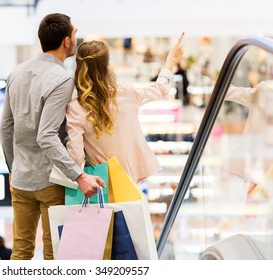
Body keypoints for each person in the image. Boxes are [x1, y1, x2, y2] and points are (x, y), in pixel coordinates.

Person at [0, 13, 105, 260]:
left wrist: (12, 166)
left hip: (20, 178)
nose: (76, 38)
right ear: (67, 41)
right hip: (50, 181)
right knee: (54, 254)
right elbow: (46, 136)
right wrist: (79, 176)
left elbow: (5, 127)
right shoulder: (62, 80)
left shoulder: (16, 72)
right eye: (75, 33)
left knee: (21, 251)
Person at [66, 33, 184, 184]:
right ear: (108, 67)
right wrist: (170, 61)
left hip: (99, 186)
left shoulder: (76, 108)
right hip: (129, 182)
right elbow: (160, 89)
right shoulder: (127, 93)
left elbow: (75, 157)